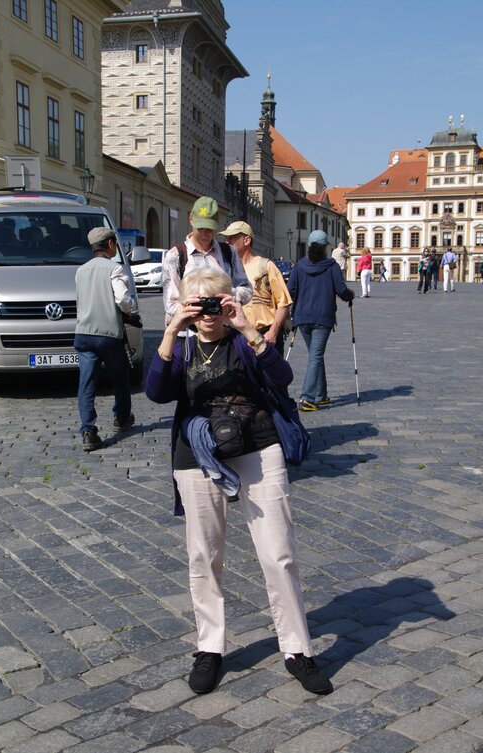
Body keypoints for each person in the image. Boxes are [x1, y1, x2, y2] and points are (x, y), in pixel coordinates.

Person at [145, 266, 332, 697]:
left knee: (278, 553)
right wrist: (173, 328)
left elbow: (282, 379)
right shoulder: (186, 347)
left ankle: (297, 649)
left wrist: (248, 327)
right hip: (197, 456)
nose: (209, 312)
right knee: (203, 555)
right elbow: (156, 390)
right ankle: (209, 647)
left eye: (216, 302)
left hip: (258, 446)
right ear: (188, 306)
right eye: (199, 304)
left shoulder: (244, 342)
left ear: (229, 300)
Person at [74, 227, 136, 452]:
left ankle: (88, 430)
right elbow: (122, 299)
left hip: (83, 333)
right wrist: (128, 311)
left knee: (86, 383)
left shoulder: (81, 270)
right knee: (120, 377)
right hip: (108, 334)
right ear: (110, 244)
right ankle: (121, 417)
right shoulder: (114, 268)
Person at [287, 230, 355, 411]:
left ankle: (321, 394)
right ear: (325, 248)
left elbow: (290, 290)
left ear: (309, 247)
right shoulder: (331, 266)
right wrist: (350, 295)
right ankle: (307, 397)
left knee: (315, 355)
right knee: (315, 355)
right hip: (322, 317)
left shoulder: (300, 266)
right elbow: (341, 290)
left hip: (302, 317)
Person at [162, 196, 252, 325]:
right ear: (191, 219)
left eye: (210, 229)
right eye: (201, 228)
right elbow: (170, 304)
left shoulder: (228, 252)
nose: (205, 233)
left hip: (223, 331)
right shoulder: (176, 255)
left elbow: (247, 290)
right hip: (189, 333)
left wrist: (227, 294)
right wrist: (194, 308)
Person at [219, 220, 292, 355]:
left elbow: (284, 303)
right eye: (226, 238)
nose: (227, 242)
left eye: (232, 238)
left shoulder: (265, 266)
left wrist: (273, 332)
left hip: (264, 334)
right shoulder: (225, 268)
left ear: (246, 240)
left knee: (269, 375)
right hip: (236, 336)